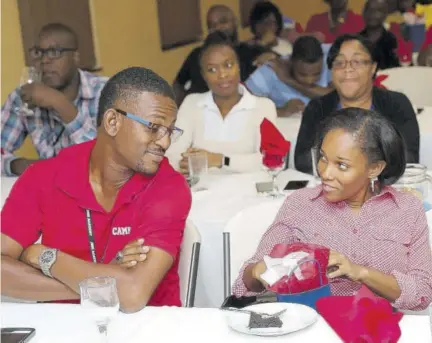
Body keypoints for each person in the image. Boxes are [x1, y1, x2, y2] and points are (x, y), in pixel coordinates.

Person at [1, 67, 191, 312]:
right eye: (153, 127)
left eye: (170, 130)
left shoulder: (169, 186)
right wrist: (103, 283)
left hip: (147, 328)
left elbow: (132, 294)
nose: (165, 142)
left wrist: (45, 258)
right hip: (64, 326)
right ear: (112, 122)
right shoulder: (44, 176)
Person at [233, 108, 432, 311]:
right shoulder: (301, 205)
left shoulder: (407, 209)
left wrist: (360, 273)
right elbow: (244, 284)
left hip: (382, 332)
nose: (325, 173)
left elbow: (422, 293)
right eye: (323, 158)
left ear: (375, 168)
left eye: (342, 165)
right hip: (314, 328)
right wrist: (258, 271)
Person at [295, 34, 419, 174]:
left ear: (373, 67)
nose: (347, 69)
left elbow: (408, 158)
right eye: (339, 63)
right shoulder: (317, 108)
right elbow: (303, 160)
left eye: (357, 61)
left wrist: (342, 164)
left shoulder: (397, 104)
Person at [1, 23, 107, 176]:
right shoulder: (23, 97)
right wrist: (17, 165)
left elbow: (108, 163)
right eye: (39, 52)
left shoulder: (107, 92)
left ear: (75, 57)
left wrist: (60, 103)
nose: (44, 60)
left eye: (55, 52)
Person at [166, 32, 277, 174]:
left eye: (228, 65)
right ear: (204, 76)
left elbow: (271, 161)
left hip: (248, 192)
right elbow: (172, 155)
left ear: (239, 67)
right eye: (212, 69)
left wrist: (220, 160)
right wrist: (184, 165)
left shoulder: (263, 107)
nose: (222, 75)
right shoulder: (192, 104)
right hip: (201, 192)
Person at [173, 5, 273, 105]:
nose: (217, 28)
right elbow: (178, 83)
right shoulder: (196, 54)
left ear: (235, 22)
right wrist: (180, 106)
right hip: (197, 111)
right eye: (212, 25)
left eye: (223, 21)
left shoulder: (250, 51)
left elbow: (276, 67)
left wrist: (268, 55)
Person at [245, 36, 332, 117]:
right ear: (290, 62)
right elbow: (242, 107)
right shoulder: (271, 70)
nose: (309, 80)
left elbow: (336, 98)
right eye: (302, 74)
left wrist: (290, 81)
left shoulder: (331, 59)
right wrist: (281, 111)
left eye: (317, 74)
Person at [359, 0, 400, 70]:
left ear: (385, 15)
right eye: (370, 10)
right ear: (363, 13)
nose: (373, 14)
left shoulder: (392, 41)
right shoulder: (355, 41)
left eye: (378, 11)